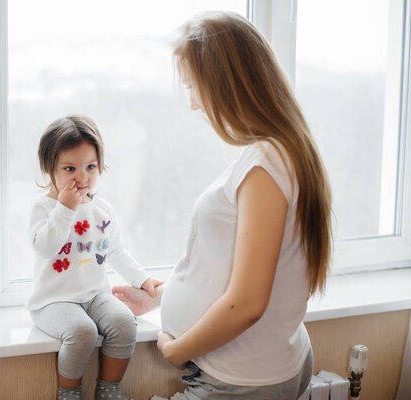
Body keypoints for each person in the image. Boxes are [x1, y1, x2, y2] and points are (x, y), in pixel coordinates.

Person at [112, 11, 332, 400]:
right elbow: (240, 265)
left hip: (240, 380)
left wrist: (178, 350)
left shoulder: (267, 165)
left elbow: (248, 302)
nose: (195, 104)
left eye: (194, 87)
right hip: (255, 368)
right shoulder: (280, 153)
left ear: (225, 85)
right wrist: (163, 296)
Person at [27, 114, 163, 400]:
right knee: (82, 332)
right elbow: (45, 247)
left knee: (125, 323)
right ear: (49, 168)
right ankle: (68, 392)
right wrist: (65, 209)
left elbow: (115, 250)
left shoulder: (102, 209)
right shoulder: (44, 208)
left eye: (90, 166)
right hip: (53, 300)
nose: (82, 176)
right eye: (70, 168)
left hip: (94, 295)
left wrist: (143, 279)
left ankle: (109, 389)